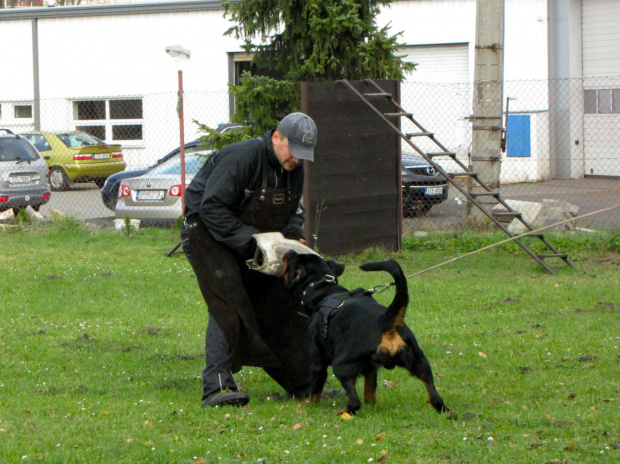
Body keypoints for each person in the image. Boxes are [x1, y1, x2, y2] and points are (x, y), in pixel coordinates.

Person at [182, 113, 318, 407]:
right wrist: (255, 244)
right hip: (206, 232)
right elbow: (212, 209)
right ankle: (216, 387)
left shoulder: (295, 170)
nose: (296, 159)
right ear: (276, 137)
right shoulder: (242, 157)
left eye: (302, 154)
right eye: (291, 149)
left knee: (278, 302)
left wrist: (292, 239)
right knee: (228, 298)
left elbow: (293, 213)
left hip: (257, 240)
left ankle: (302, 384)